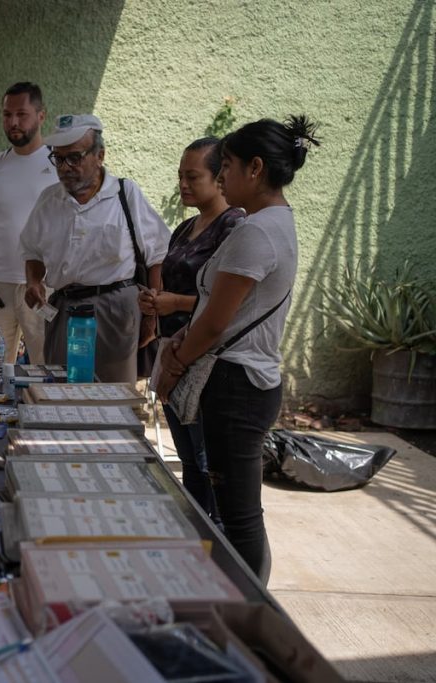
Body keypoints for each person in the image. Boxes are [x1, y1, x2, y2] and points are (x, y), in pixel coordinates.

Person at [155, 115, 320, 581]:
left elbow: (215, 322)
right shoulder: (273, 222)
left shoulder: (255, 231)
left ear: (255, 168)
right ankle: (238, 598)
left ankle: (249, 607)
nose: (222, 175)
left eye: (226, 165)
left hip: (235, 385)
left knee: (238, 514)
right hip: (244, 382)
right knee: (233, 507)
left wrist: (174, 366)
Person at [20, 114, 170, 382]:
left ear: (100, 155)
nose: (65, 167)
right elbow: (32, 251)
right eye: (58, 158)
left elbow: (156, 255)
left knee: (115, 395)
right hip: (65, 310)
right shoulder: (49, 200)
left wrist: (152, 317)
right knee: (63, 392)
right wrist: (33, 281)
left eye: (74, 157)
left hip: (116, 311)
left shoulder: (125, 194)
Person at [139, 138, 243, 522]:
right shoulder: (186, 228)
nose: (183, 184)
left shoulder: (234, 227)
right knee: (189, 460)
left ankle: (217, 533)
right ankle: (198, 530)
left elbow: (230, 302)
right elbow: (177, 284)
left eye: (193, 176)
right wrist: (155, 301)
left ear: (220, 178)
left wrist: (177, 304)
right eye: (180, 176)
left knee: (206, 460)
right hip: (173, 352)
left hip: (205, 357)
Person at [0, 82, 59, 363]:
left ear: (41, 116)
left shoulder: (58, 164)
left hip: (44, 287)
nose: (13, 122)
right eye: (7, 115)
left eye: (22, 114)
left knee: (47, 368)